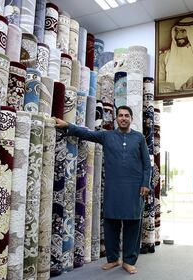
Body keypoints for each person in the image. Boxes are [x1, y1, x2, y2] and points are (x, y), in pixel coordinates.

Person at [55, 105, 152, 274]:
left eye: (126, 116)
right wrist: (68, 126)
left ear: (131, 119)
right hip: (113, 188)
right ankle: (113, 259)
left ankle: (128, 261)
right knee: (111, 223)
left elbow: (147, 165)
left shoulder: (139, 138)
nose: (123, 118)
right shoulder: (107, 136)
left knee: (132, 225)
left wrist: (145, 184)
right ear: (116, 119)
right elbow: (87, 134)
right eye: (120, 115)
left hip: (135, 188)